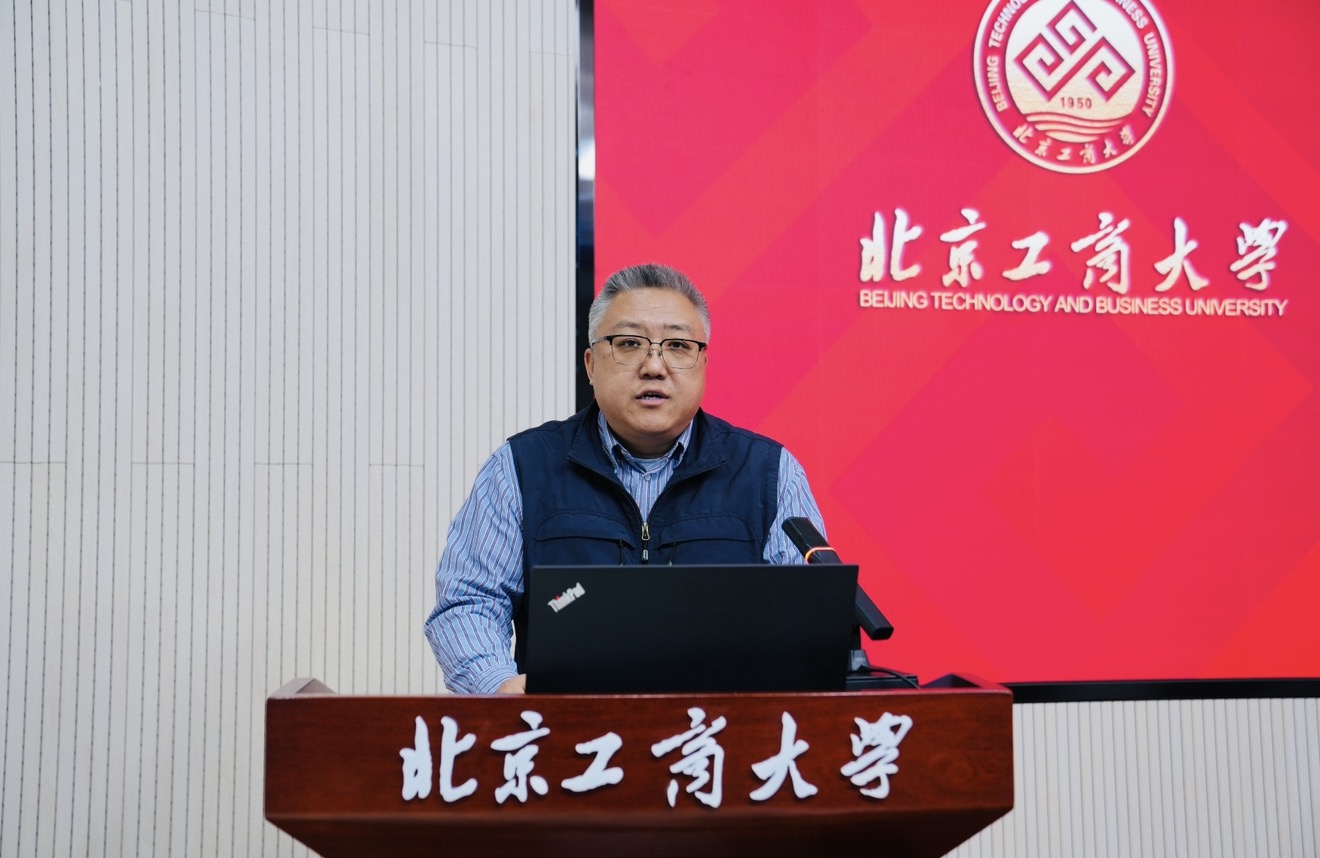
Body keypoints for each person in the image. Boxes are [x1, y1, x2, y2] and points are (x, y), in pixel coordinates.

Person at [423, 263, 828, 694]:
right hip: (570, 727)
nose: (654, 366)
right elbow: (470, 600)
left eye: (677, 345)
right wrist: (500, 688)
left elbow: (807, 616)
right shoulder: (522, 467)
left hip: (720, 728)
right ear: (591, 364)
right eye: (630, 343)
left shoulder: (769, 473)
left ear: (703, 363)